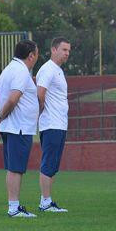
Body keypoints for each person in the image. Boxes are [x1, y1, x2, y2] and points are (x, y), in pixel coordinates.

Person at [0, 40, 39, 218]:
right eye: (36, 54)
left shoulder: (8, 69)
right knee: (16, 168)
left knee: (13, 167)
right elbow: (13, 98)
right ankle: (14, 208)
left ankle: (14, 206)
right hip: (18, 127)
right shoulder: (21, 71)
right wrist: (1, 116)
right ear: (31, 55)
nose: (37, 57)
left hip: (11, 126)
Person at [36, 37, 71, 212]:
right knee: (48, 162)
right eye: (64, 50)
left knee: (53, 164)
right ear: (53, 49)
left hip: (59, 124)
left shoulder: (57, 70)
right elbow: (40, 93)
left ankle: (47, 201)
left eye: (68, 51)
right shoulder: (48, 69)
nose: (67, 54)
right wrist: (42, 110)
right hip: (51, 123)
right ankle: (45, 202)